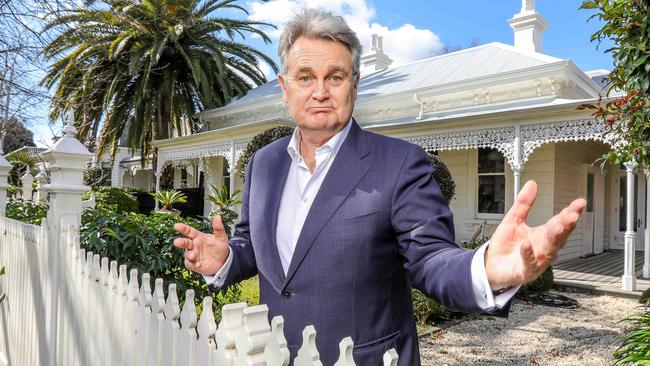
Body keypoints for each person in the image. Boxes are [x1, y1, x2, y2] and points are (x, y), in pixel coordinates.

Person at [173, 8, 585, 365]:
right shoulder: (264, 164)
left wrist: (485, 269)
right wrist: (226, 258)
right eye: (305, 77)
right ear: (285, 88)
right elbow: (256, 247)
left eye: (335, 77)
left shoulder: (401, 163)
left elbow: (430, 259)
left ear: (354, 85)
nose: (319, 91)